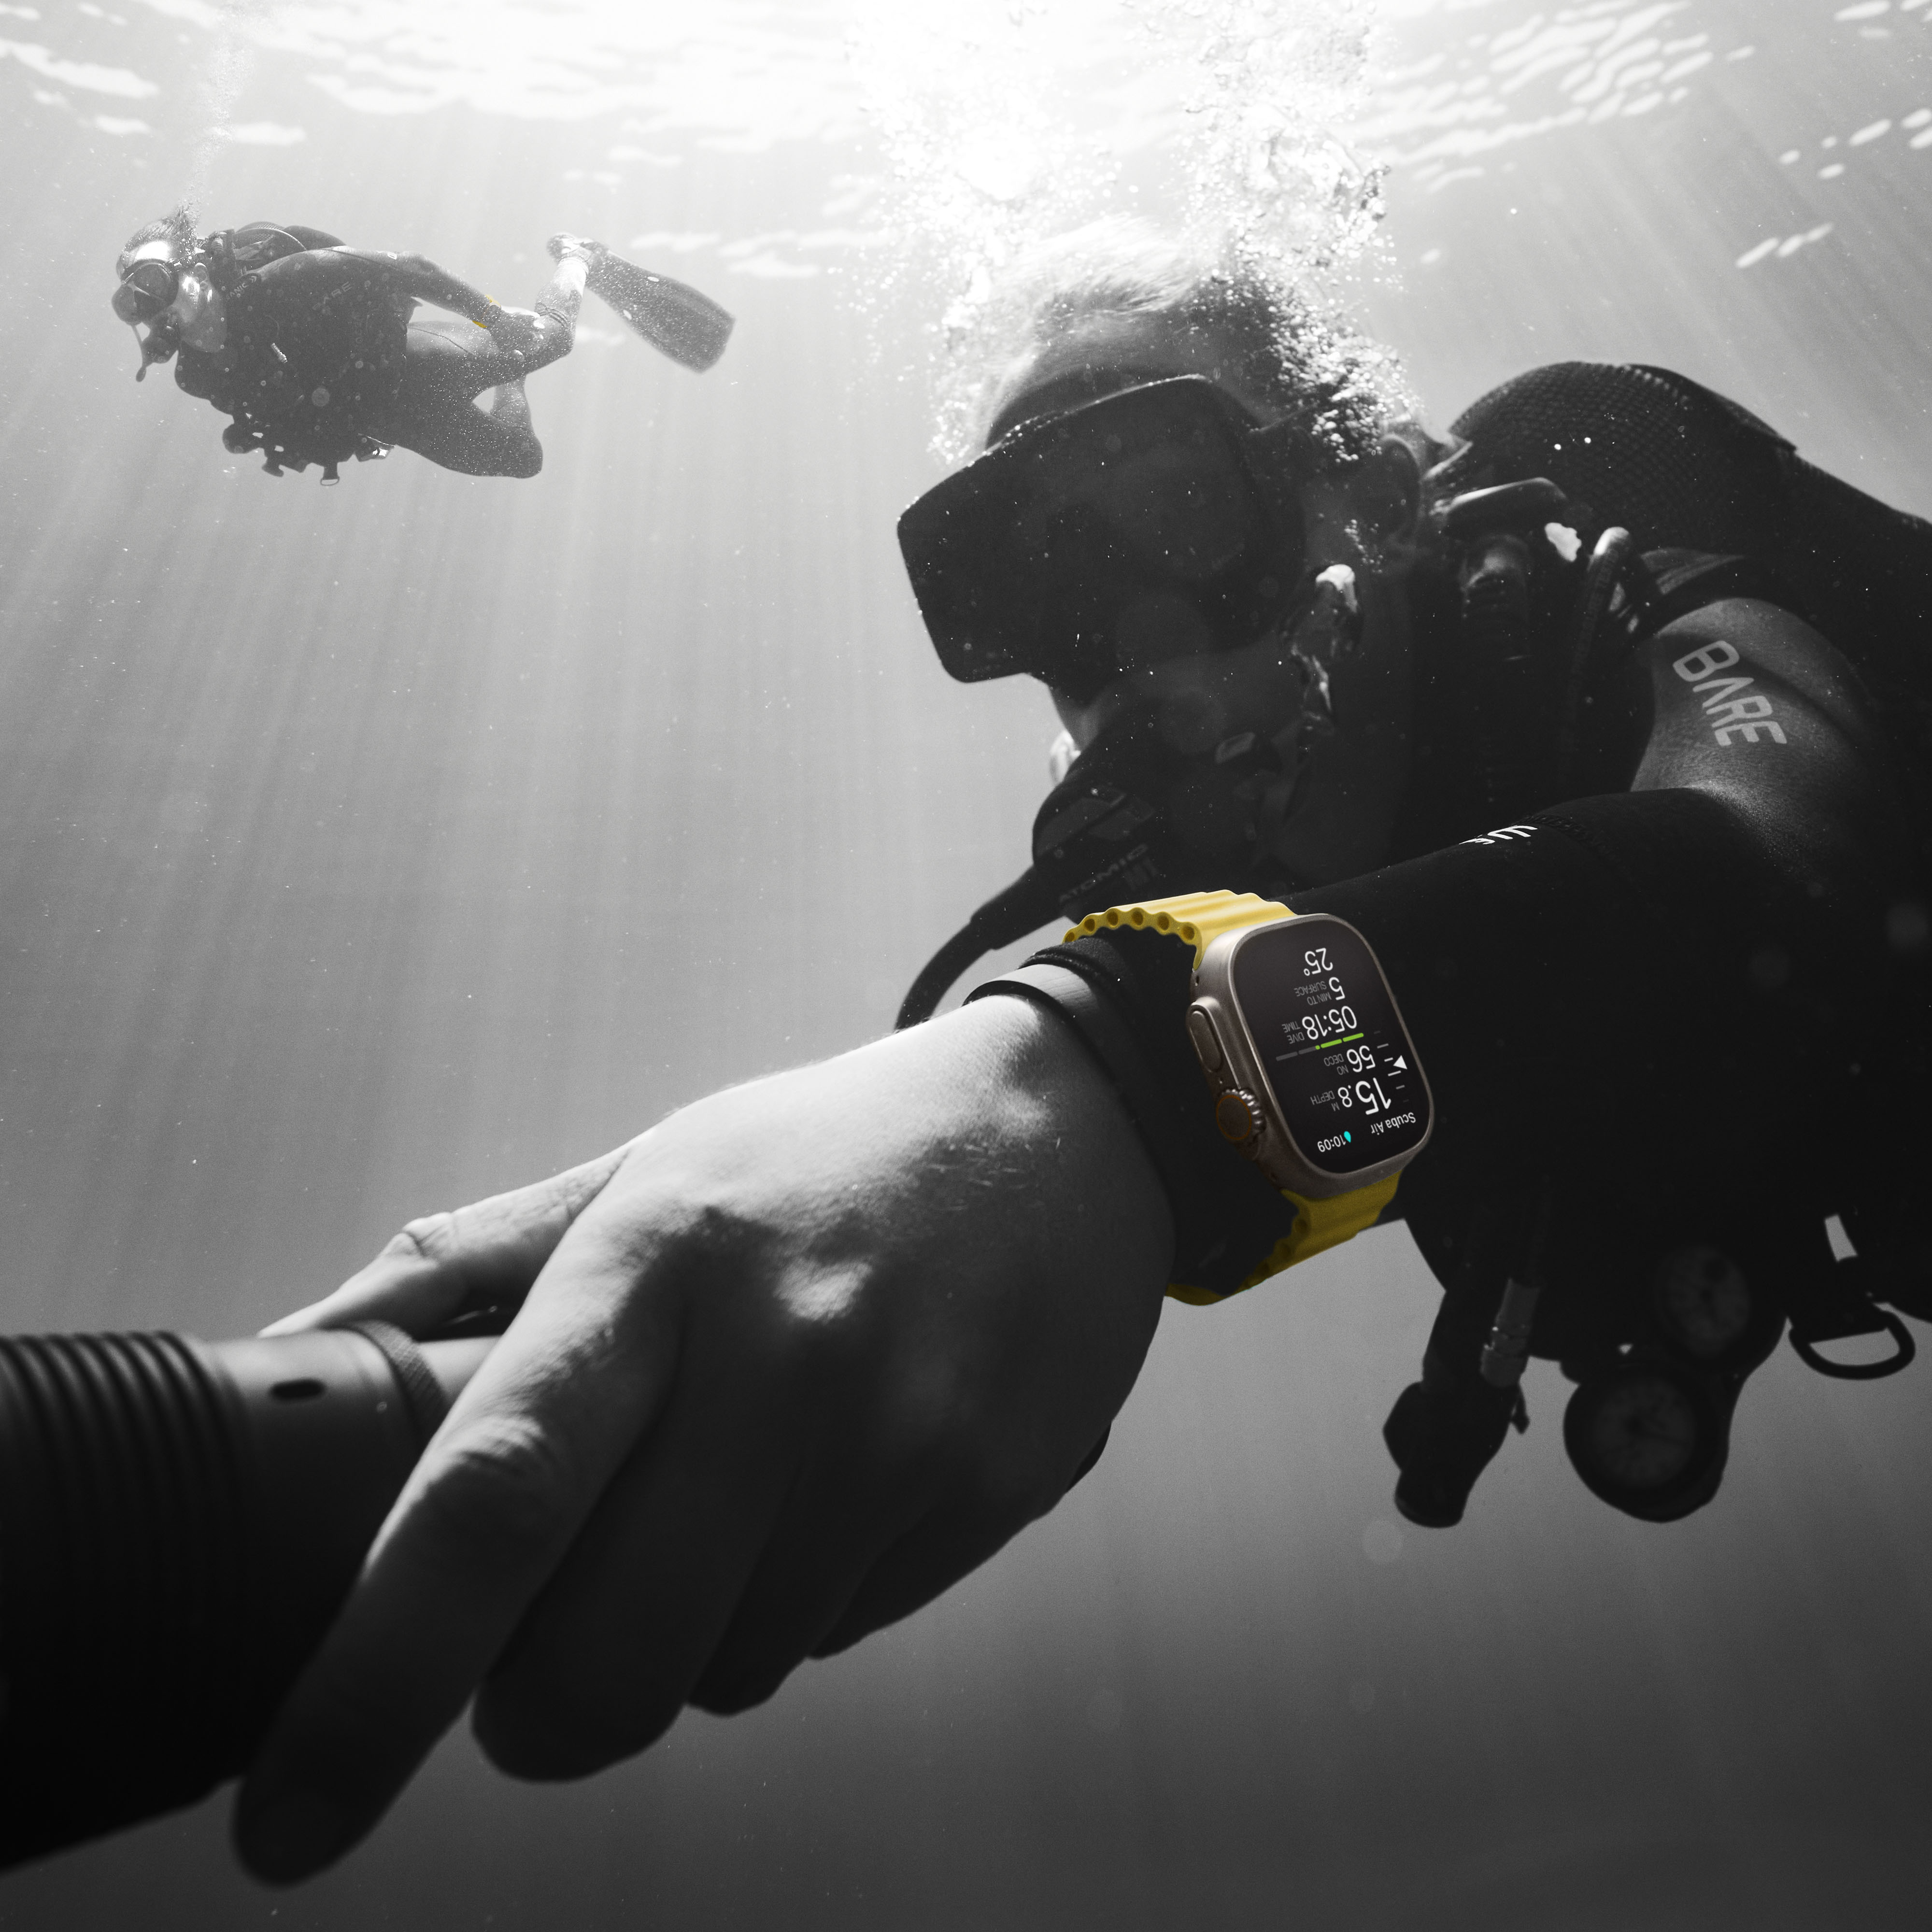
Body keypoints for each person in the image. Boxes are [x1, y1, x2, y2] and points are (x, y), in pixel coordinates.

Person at [229, 238, 1932, 1883]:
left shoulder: (1604, 496)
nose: (1145, 647)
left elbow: (1787, 864)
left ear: (1369, 491)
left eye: (1181, 506)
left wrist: (1113, 1085)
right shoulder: (1194, 883)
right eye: (1034, 581)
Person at [112, 213, 732, 482]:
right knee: (521, 460)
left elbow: (407, 268)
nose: (156, 303)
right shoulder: (200, 375)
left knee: (556, 342)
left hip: (419, 359)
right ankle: (512, 383)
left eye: (155, 280)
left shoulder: (278, 284)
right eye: (136, 300)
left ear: (191, 266)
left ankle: (579, 258)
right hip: (390, 418)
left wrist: (492, 316)